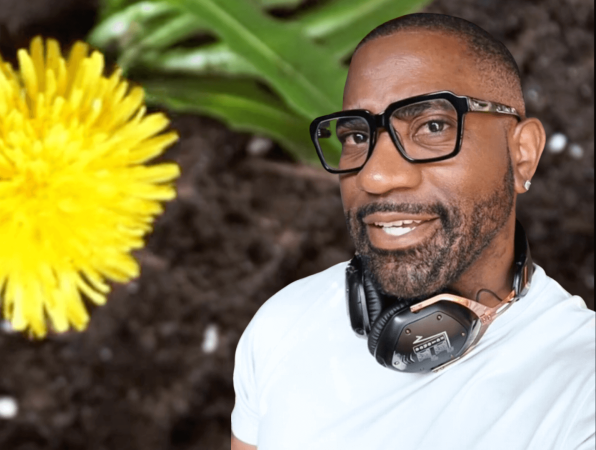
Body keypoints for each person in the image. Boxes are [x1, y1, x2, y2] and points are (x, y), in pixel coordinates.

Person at [230, 13, 595, 450]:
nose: (376, 177)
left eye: (433, 127)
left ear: (522, 155)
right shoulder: (281, 324)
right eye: (357, 136)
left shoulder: (580, 388)